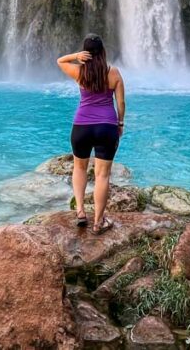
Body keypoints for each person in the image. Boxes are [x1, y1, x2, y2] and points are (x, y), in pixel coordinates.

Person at [56, 34, 125, 234]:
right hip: (107, 127)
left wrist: (76, 56)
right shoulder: (114, 73)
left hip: (82, 127)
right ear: (103, 52)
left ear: (86, 53)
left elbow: (60, 60)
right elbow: (121, 103)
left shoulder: (79, 72)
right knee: (102, 175)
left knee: (79, 168)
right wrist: (120, 123)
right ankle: (98, 222)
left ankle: (80, 212)